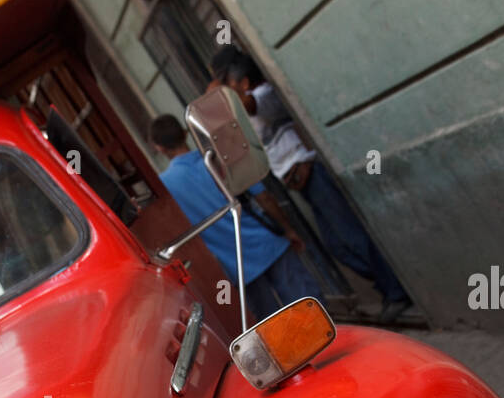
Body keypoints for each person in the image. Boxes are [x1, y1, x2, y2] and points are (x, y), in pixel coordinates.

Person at [210, 48, 411, 324]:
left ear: (243, 83)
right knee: (337, 245)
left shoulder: (264, 95)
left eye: (230, 84)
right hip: (300, 181)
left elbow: (243, 104)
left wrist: (218, 91)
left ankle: (395, 292)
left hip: (311, 172)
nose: (227, 90)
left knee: (350, 237)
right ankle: (389, 288)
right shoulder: (251, 102)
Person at [148, 114, 323, 324]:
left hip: (236, 265)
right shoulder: (219, 160)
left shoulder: (165, 187)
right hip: (268, 244)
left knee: (273, 327)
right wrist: (287, 229)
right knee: (311, 308)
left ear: (159, 148)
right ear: (185, 133)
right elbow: (264, 198)